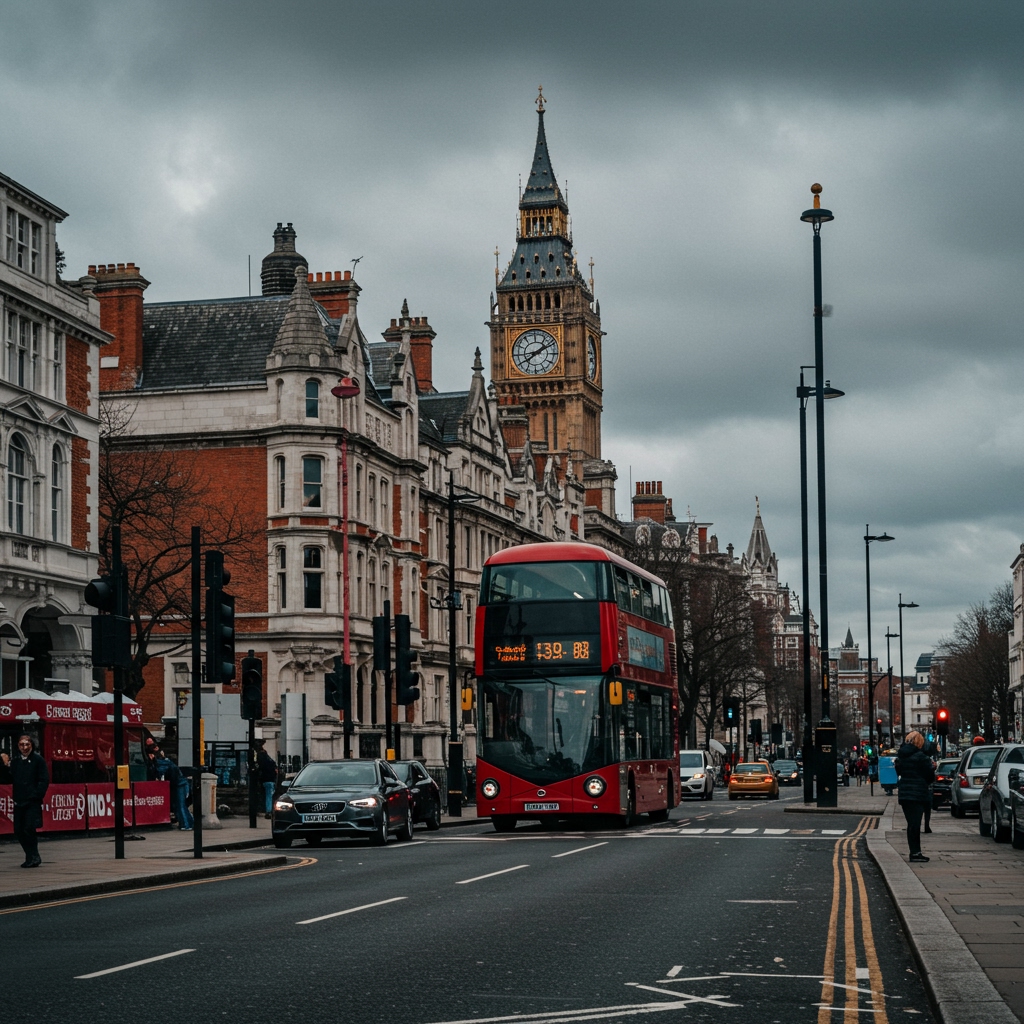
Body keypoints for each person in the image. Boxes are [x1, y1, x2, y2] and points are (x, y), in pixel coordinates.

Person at [0, 734, 50, 867]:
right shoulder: (16, 761)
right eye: (22, 745)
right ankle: (29, 856)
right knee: (19, 830)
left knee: (29, 828)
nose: (24, 747)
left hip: (32, 802)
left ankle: (34, 856)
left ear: (31, 745)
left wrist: (36, 795)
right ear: (18, 746)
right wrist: (4, 765)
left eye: (27, 744)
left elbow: (44, 779)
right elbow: (8, 778)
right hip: (19, 801)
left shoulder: (38, 760)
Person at [895, 730, 935, 863]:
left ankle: (914, 851)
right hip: (917, 794)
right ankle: (915, 853)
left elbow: (899, 771)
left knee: (911, 824)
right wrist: (932, 769)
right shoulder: (922, 757)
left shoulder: (901, 756)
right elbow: (929, 777)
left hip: (905, 794)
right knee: (915, 824)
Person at [154, 748, 192, 830]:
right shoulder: (168, 762)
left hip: (179, 785)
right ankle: (189, 823)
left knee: (180, 805)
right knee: (182, 805)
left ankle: (186, 824)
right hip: (182, 783)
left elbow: (161, 775)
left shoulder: (161, 763)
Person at [254, 741, 278, 819]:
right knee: (269, 795)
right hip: (270, 779)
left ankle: (268, 811)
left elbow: (259, 768)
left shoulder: (261, 758)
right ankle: (269, 811)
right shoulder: (268, 759)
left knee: (268, 795)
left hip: (266, 779)